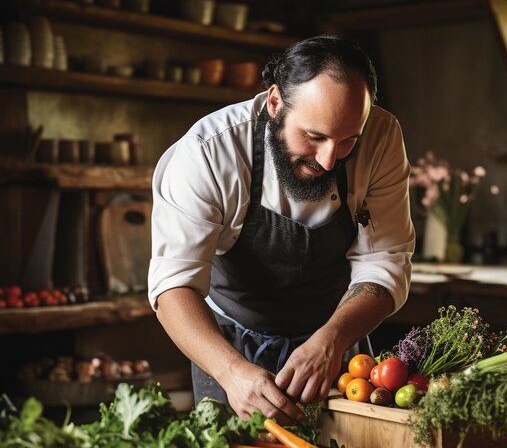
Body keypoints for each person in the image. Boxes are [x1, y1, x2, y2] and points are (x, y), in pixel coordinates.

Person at [148, 35, 415, 424]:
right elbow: (174, 285)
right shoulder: (209, 151)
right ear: (275, 102)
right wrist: (230, 373)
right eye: (314, 136)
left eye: (347, 141)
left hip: (334, 338)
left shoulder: (381, 137)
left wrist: (333, 339)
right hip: (228, 344)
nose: (328, 160)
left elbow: (386, 262)